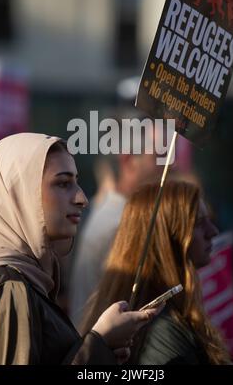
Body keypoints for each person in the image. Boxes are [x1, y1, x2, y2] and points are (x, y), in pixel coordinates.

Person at [0, 133, 161, 365]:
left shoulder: (20, 276)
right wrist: (99, 342)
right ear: (18, 194)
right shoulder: (7, 287)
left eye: (76, 182)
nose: (81, 198)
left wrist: (103, 351)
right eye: (62, 183)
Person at [81, 180, 230, 365]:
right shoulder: (161, 329)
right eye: (198, 223)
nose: (213, 231)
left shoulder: (172, 314)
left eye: (210, 220)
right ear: (166, 236)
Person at [69, 128, 160, 326]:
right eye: (158, 156)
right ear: (128, 162)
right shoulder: (121, 224)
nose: (169, 164)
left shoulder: (116, 215)